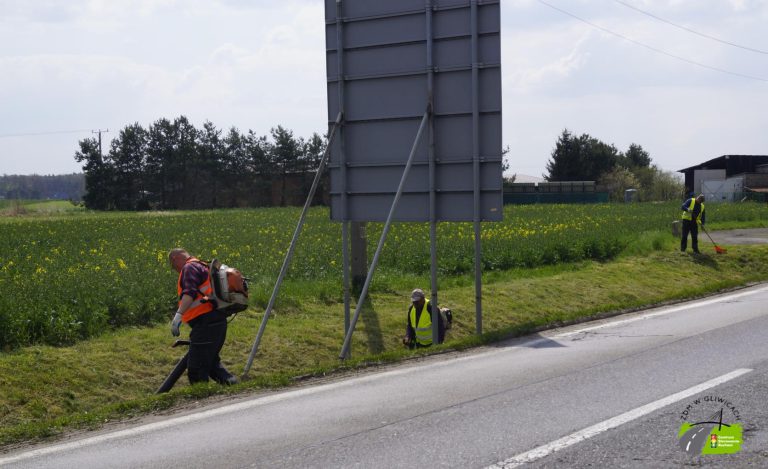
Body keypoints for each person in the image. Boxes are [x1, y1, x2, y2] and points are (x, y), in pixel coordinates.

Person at [168, 248, 238, 385]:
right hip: (216, 321)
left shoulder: (189, 267)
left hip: (206, 323)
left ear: (175, 259)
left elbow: (189, 293)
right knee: (211, 365)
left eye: (173, 266)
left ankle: (200, 395)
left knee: (196, 369)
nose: (175, 270)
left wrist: (178, 316)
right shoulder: (203, 266)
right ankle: (234, 388)